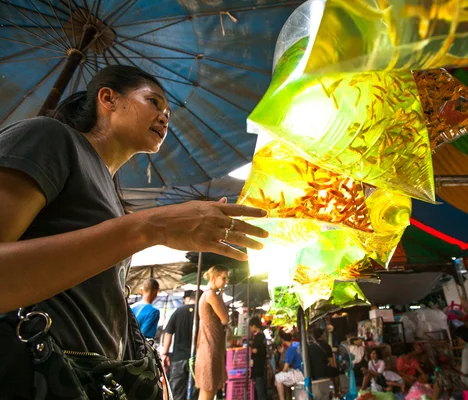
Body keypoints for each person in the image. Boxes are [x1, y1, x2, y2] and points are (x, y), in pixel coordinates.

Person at [0, 65, 268, 399]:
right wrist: (149, 227)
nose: (164, 117)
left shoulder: (110, 191)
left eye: (168, 112)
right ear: (108, 99)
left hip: (87, 380)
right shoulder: (49, 137)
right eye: (154, 102)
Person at [195, 265, 230, 400]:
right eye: (224, 278)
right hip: (210, 345)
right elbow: (225, 318)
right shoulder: (210, 295)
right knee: (208, 389)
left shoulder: (210, 294)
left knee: (209, 389)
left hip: (210, 344)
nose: (226, 281)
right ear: (215, 277)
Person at [432, 326, 468, 400]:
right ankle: (448, 397)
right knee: (447, 375)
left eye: (457, 338)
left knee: (440, 376)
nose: (458, 340)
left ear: (461, 338)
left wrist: (458, 368)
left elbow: (464, 373)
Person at [162, 290, 201, 400]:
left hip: (178, 359)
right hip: (197, 359)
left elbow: (168, 333)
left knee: (177, 393)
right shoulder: (201, 313)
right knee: (195, 393)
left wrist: (164, 353)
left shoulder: (178, 312)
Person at [309, 327, 341, 398]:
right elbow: (332, 363)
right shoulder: (327, 346)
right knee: (336, 373)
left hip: (313, 373)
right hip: (324, 371)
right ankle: (336, 393)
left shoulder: (310, 347)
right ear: (322, 335)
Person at [275, 330, 304, 400]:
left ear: (282, 340)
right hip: (304, 370)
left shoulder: (290, 350)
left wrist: (280, 372)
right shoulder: (297, 344)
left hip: (300, 373)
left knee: (277, 377)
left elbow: (285, 368)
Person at [249, 316, 267, 400]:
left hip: (257, 365)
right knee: (260, 385)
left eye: (250, 326)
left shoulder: (258, 336)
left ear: (254, 326)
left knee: (259, 387)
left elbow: (255, 350)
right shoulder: (262, 335)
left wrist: (250, 349)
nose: (250, 329)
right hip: (261, 363)